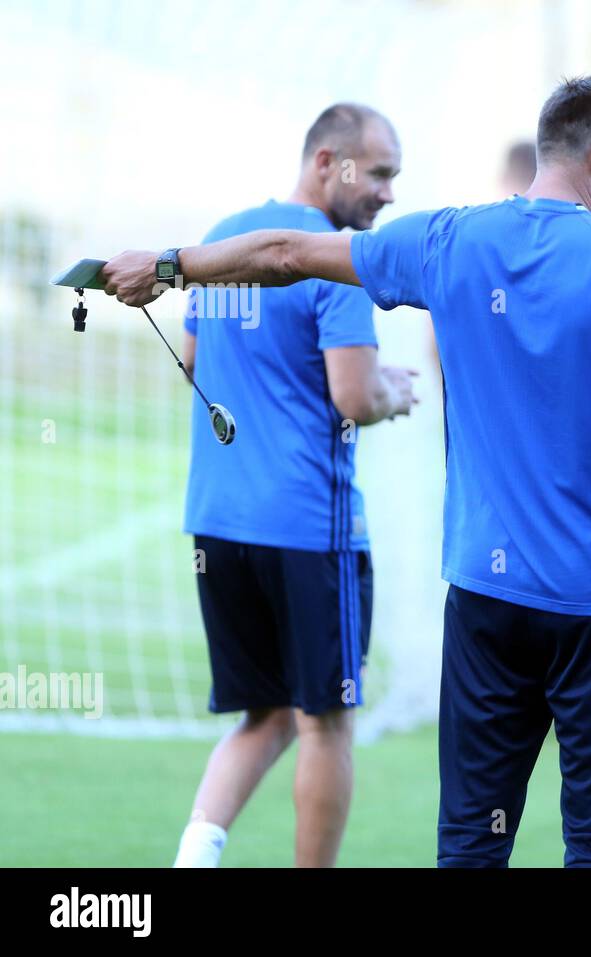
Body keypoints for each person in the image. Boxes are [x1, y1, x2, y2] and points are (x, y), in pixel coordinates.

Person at [102, 75, 591, 869]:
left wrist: (171, 265)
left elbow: (285, 253)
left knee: (469, 844)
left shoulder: (450, 240)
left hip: (485, 601)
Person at [166, 103, 415, 867]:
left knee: (263, 714)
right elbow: (353, 396)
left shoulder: (219, 240)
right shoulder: (333, 257)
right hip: (309, 528)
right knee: (327, 722)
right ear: (327, 163)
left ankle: (193, 856)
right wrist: (393, 389)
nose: (387, 194)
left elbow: (193, 360)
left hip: (219, 523)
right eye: (378, 174)